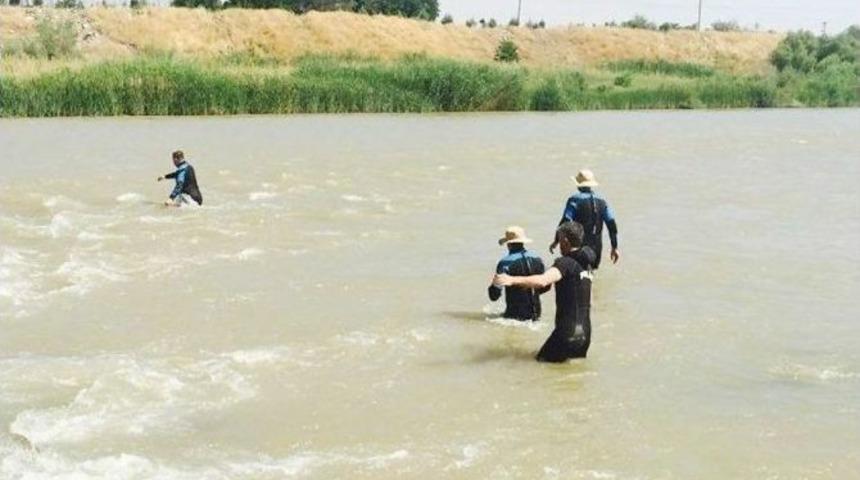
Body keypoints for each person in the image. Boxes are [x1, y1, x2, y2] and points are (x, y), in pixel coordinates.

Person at [496, 222, 596, 362]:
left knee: (540, 364)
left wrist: (511, 279)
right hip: (585, 334)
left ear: (565, 241)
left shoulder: (564, 263)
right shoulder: (586, 266)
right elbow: (588, 298)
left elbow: (543, 280)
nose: (559, 243)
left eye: (559, 239)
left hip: (567, 332)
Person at [550, 169, 619, 269]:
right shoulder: (602, 202)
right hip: (596, 246)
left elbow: (566, 220)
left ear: (578, 184)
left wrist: (556, 240)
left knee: (576, 273)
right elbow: (611, 223)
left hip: (578, 245)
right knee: (590, 274)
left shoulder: (575, 200)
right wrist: (614, 247)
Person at [488, 226, 548, 321]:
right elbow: (546, 286)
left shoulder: (505, 263)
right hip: (536, 313)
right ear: (523, 242)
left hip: (514, 316)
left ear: (508, 244)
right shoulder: (538, 259)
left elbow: (494, 296)